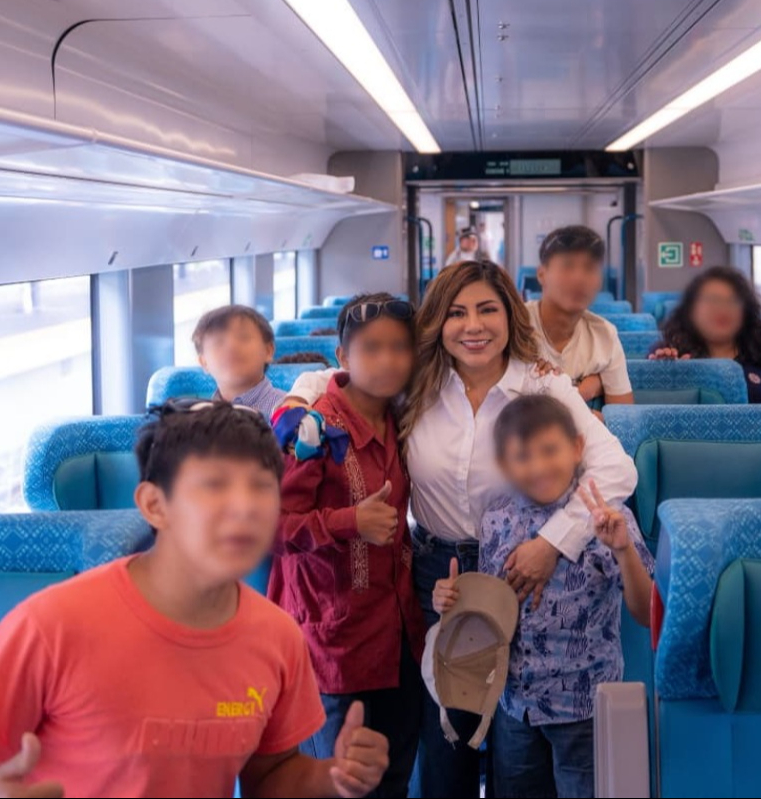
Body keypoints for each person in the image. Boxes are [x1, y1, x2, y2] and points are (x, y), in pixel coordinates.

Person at [279, 261, 637, 798]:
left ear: (509, 315)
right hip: (431, 575)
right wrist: (297, 400)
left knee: (517, 741)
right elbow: (337, 378)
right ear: (437, 323)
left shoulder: (539, 384)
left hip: (521, 575)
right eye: (457, 312)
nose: (474, 325)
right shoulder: (416, 381)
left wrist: (551, 542)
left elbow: (616, 470)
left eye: (487, 309)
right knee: (445, 741)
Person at [0, 402, 388, 799]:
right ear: (154, 505)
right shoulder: (51, 625)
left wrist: (333, 776)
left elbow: (271, 776)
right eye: (214, 486)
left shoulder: (277, 635)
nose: (244, 507)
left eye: (261, 487)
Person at [433, 395, 653, 799]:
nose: (537, 467)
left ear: (576, 448)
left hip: (583, 704)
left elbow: (645, 612)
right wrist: (449, 599)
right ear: (503, 464)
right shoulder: (497, 518)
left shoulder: (603, 515)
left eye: (550, 451)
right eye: (522, 456)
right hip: (516, 703)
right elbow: (491, 609)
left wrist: (623, 551)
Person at [269, 293, 426, 799]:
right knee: (340, 784)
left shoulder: (402, 417)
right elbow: (272, 528)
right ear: (343, 356)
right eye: (372, 348)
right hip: (333, 642)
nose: (388, 360)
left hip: (398, 632)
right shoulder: (311, 429)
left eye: (400, 348)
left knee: (394, 777)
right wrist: (348, 521)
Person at [528, 226, 633, 408]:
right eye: (567, 266)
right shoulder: (515, 326)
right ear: (541, 274)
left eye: (590, 268)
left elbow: (623, 418)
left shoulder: (604, 335)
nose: (579, 278)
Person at [649, 266, 761, 403]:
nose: (722, 310)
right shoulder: (669, 352)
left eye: (732, 301)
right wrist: (663, 373)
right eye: (712, 301)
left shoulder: (759, 355)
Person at [193, 304, 286, 417]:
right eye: (219, 342)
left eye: (243, 337)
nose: (231, 346)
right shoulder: (197, 417)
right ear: (204, 362)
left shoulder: (290, 412)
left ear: (268, 351)